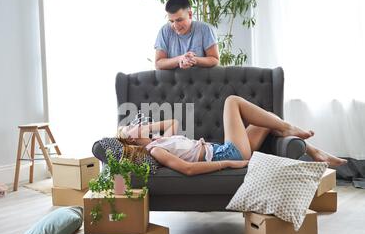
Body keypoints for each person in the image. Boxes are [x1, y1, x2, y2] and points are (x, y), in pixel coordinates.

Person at [118, 95, 348, 176]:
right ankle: (288, 128)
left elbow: (173, 122)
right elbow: (187, 169)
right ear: (131, 140)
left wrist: (143, 130)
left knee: (266, 118)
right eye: (132, 126)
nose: (138, 123)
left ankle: (316, 152)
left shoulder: (160, 140)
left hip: (224, 149)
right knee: (232, 101)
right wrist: (228, 163)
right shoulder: (155, 150)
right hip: (226, 153)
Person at [155, 0, 220, 70]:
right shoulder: (165, 31)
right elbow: (158, 64)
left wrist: (194, 60)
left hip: (199, 80)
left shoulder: (205, 29)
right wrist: (179, 59)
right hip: (172, 80)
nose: (175, 26)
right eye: (171, 21)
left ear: (190, 15)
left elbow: (215, 60)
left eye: (179, 20)